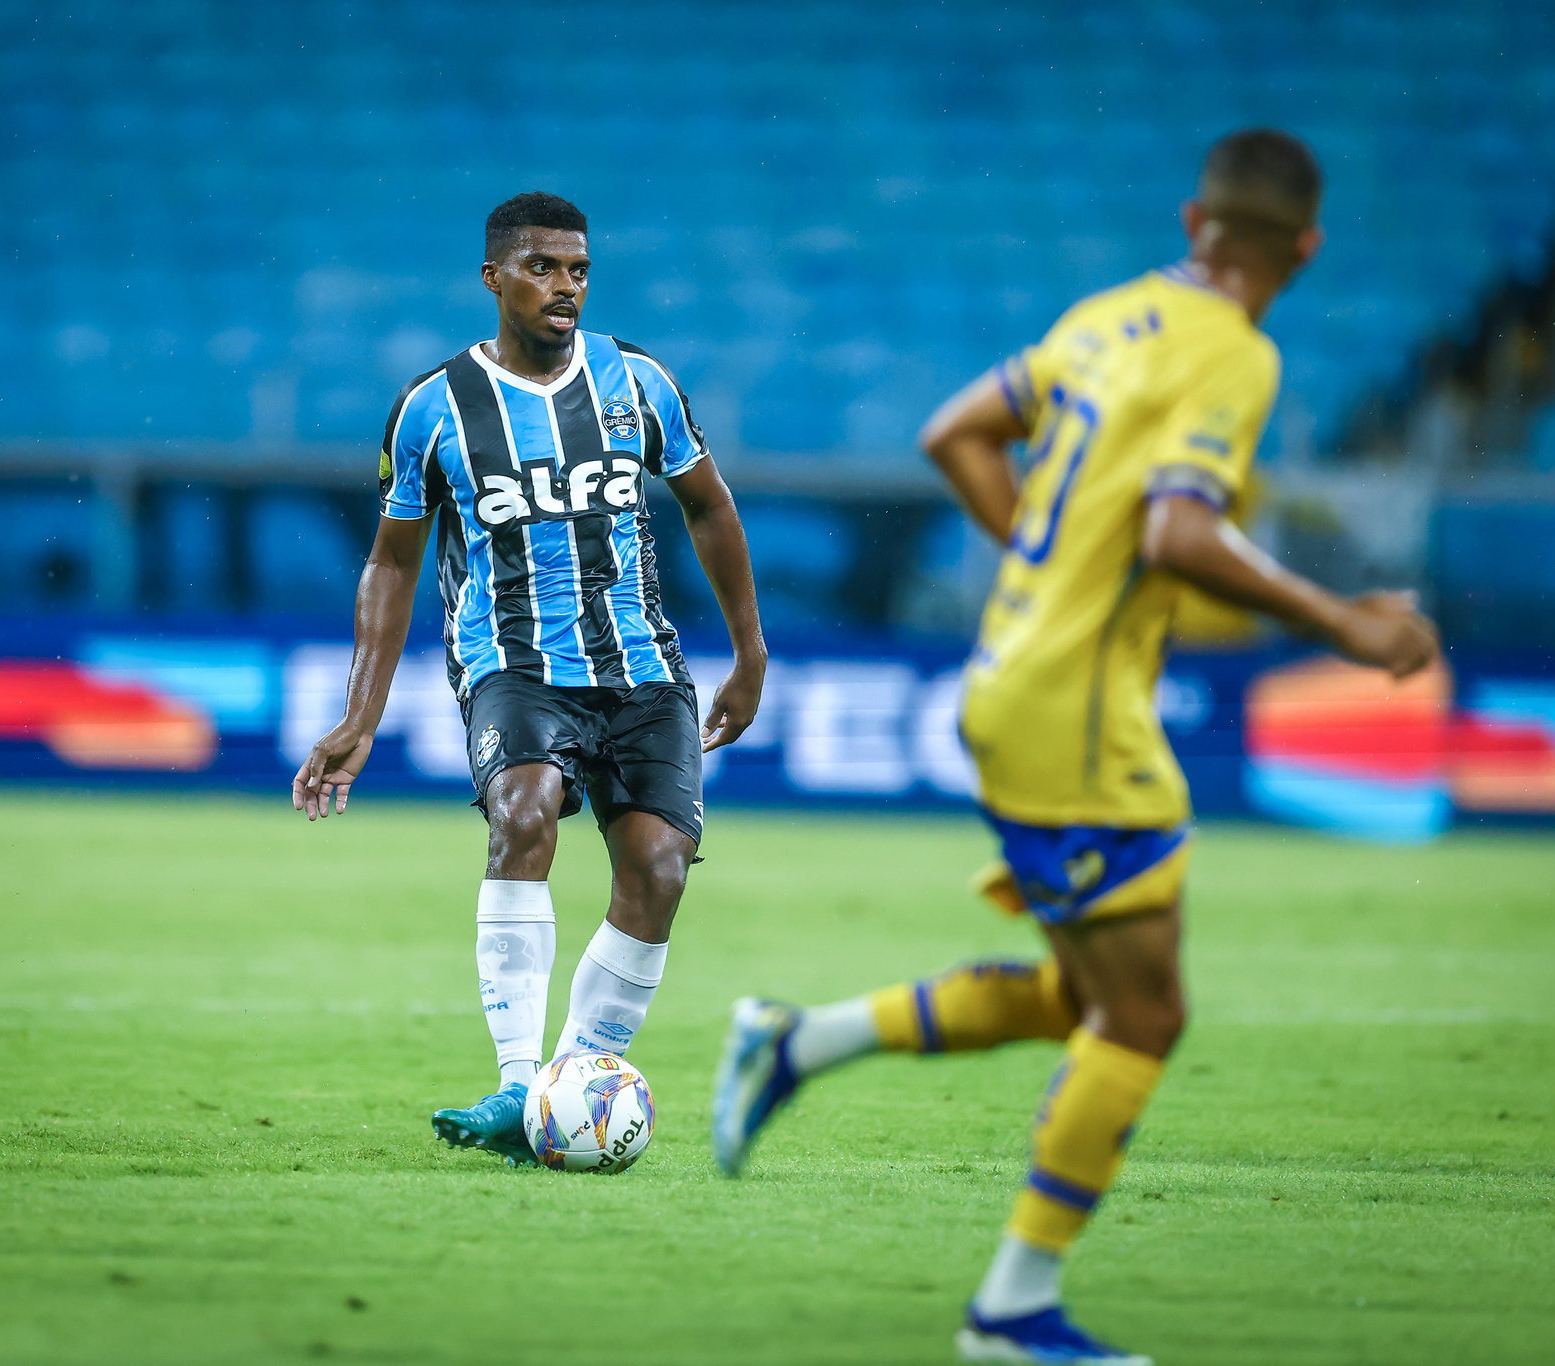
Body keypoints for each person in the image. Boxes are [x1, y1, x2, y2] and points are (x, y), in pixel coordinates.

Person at [711, 131, 1437, 1365]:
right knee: (1143, 1014)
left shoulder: (1106, 317)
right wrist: (1345, 625)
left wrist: (1043, 572)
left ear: (1190, 217)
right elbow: (1177, 533)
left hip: (1010, 675)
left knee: (1086, 994)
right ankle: (1009, 1311)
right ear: (1303, 249)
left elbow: (954, 431)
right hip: (1081, 712)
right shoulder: (1235, 355)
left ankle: (798, 1038)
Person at [294, 191, 766, 1165]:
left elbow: (708, 509)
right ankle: (518, 1081)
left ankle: (568, 1081)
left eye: (579, 269)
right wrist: (359, 714)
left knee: (659, 870)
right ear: (494, 277)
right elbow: (391, 560)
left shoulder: (637, 384)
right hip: (510, 664)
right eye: (544, 267)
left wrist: (749, 651)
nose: (566, 286)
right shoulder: (434, 408)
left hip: (640, 664)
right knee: (523, 811)